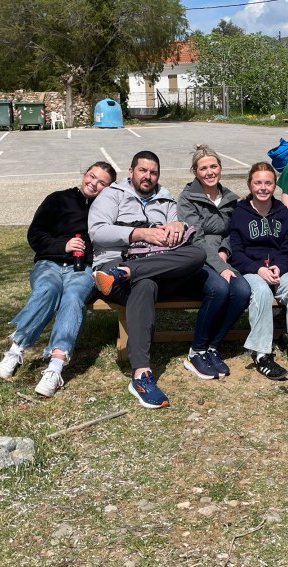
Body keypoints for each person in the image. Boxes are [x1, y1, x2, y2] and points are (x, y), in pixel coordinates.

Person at [89, 151, 207, 409]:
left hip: (153, 266)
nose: (148, 176)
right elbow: (97, 232)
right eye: (143, 170)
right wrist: (140, 233)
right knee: (145, 285)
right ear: (131, 172)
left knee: (197, 254)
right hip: (113, 264)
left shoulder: (166, 198)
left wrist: (177, 227)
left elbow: (177, 229)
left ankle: (128, 272)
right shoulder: (112, 195)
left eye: (153, 172)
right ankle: (141, 375)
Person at [0, 161, 117, 397]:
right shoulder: (58, 199)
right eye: (92, 176)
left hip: (82, 268)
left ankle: (55, 366)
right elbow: (35, 235)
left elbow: (109, 243)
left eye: (102, 183)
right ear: (84, 174)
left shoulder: (106, 210)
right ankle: (15, 351)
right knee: (48, 289)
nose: (94, 184)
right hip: (49, 263)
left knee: (73, 296)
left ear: (109, 188)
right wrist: (64, 245)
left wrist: (88, 254)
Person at [230, 162, 288, 381]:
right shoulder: (239, 213)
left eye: (268, 183)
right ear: (249, 184)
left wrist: (280, 266)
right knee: (262, 292)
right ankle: (262, 354)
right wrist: (257, 269)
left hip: (277, 268)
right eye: (258, 182)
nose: (263, 187)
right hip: (251, 269)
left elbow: (287, 249)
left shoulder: (283, 214)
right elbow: (236, 253)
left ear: (275, 185)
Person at [176, 145, 251, 379]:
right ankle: (196, 351)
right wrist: (220, 267)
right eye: (203, 168)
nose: (209, 172)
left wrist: (224, 252)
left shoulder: (230, 198)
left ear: (220, 167)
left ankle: (213, 346)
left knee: (242, 291)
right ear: (195, 172)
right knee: (219, 289)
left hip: (222, 258)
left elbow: (233, 232)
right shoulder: (187, 198)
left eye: (213, 166)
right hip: (197, 259)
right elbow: (195, 238)